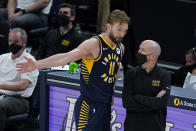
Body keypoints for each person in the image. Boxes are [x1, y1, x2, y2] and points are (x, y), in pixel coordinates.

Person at [16, 9, 130, 130]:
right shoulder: (94, 44)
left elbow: (114, 71)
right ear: (108, 26)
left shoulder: (120, 47)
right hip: (88, 105)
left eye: (125, 31)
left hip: (105, 105)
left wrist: (111, 93)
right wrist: (36, 65)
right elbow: (65, 57)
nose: (122, 34)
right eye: (119, 29)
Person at [122, 40, 170, 131]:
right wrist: (154, 101)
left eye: (143, 50)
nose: (138, 52)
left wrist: (138, 97)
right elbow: (127, 103)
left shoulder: (164, 75)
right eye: (139, 48)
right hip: (132, 126)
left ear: (153, 56)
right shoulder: (131, 74)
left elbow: (162, 103)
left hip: (155, 126)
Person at [0, 28, 39, 131]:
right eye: (10, 41)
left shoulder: (29, 61)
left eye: (16, 41)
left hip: (19, 100)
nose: (12, 44)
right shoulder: (2, 58)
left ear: (24, 43)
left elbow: (23, 85)